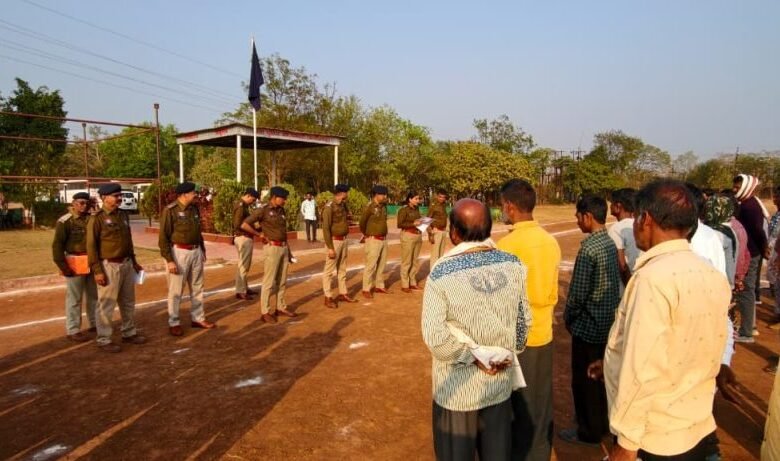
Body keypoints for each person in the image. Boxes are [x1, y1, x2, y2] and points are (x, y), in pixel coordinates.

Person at [593, 179, 731, 461]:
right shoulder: (712, 275)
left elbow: (642, 366)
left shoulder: (652, 279)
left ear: (645, 219)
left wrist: (627, 443)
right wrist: (610, 362)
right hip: (695, 424)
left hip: (655, 435)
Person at [422, 198, 531, 461]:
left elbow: (436, 338)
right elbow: (523, 327)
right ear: (489, 228)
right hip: (499, 386)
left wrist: (474, 357)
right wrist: (501, 355)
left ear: (454, 233)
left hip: (457, 394)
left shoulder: (441, 273)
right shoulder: (513, 264)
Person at [496, 179, 561, 461]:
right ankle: (540, 452)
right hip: (543, 332)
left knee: (517, 404)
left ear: (510, 207)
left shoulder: (507, 245)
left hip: (517, 337)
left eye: (502, 205)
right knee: (540, 399)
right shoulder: (549, 241)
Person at [560, 194, 621, 446]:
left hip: (588, 327)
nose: (577, 221)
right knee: (603, 379)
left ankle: (588, 431)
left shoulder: (589, 249)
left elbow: (577, 293)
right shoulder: (609, 242)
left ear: (587, 216)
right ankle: (603, 423)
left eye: (578, 216)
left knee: (584, 381)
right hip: (607, 324)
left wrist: (569, 317)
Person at [86, 183, 147, 352]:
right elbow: (91, 247)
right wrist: (97, 271)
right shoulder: (97, 219)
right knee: (106, 304)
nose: (119, 198)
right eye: (116, 196)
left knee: (128, 301)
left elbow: (128, 240)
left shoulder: (123, 215)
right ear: (104, 198)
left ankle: (129, 332)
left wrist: (134, 261)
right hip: (109, 266)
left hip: (126, 264)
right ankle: (104, 339)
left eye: (120, 195)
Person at [159, 182, 215, 337]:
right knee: (176, 289)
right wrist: (169, 260)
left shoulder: (193, 209)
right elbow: (163, 238)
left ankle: (198, 318)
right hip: (179, 252)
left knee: (197, 287)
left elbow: (197, 231)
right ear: (184, 194)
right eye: (193, 193)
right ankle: (174, 322)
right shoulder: (170, 210)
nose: (195, 195)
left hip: (195, 251)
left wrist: (202, 249)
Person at [241, 186, 297, 323]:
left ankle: (280, 307)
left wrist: (289, 252)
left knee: (282, 281)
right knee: (269, 281)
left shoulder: (281, 210)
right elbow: (245, 224)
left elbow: (283, 233)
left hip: (283, 248)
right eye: (283, 198)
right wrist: (258, 234)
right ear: (274, 197)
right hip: (272, 248)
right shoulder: (263, 210)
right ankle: (265, 311)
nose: (285, 201)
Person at [52, 191, 97, 342]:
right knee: (75, 298)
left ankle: (94, 323)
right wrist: (63, 266)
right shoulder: (65, 221)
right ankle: (73, 329)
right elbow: (57, 245)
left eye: (86, 203)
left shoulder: (91, 219)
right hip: (75, 262)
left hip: (91, 260)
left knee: (93, 296)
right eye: (81, 203)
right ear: (74, 203)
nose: (84, 206)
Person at [733, 174, 769, 342]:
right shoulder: (749, 203)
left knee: (746, 290)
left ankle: (746, 332)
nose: (735, 189)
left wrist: (763, 248)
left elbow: (757, 231)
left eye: (737, 187)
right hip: (751, 252)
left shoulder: (749, 207)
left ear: (747, 187)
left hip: (750, 253)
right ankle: (750, 326)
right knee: (749, 290)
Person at [321, 184, 357, 309]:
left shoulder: (343, 205)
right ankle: (328, 297)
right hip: (334, 241)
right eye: (347, 192)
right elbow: (325, 229)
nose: (348, 194)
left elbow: (347, 219)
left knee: (342, 269)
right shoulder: (329, 207)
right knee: (329, 271)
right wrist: (330, 247)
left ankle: (343, 293)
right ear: (342, 193)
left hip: (344, 240)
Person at [360, 185, 391, 299]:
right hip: (373, 239)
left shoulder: (383, 207)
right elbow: (362, 223)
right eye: (383, 194)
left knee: (382, 264)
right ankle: (366, 288)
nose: (385, 196)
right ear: (376, 195)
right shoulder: (369, 207)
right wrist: (367, 234)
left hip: (383, 239)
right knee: (371, 265)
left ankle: (379, 285)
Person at [608, 188, 640, 285]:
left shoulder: (616, 229)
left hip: (626, 283)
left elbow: (621, 265)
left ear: (618, 206)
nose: (610, 206)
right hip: (639, 278)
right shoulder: (638, 224)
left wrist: (629, 287)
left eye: (612, 203)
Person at [233, 188, 259, 300]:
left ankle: (244, 287)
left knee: (244, 264)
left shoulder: (243, 205)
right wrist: (254, 231)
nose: (253, 202)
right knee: (243, 265)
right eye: (252, 199)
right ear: (248, 195)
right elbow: (238, 224)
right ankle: (241, 290)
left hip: (243, 237)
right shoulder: (240, 206)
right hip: (243, 237)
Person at [397, 191, 424, 293]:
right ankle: (405, 284)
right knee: (407, 261)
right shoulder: (403, 210)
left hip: (417, 235)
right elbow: (400, 224)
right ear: (410, 199)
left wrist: (423, 222)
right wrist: (413, 224)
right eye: (416, 199)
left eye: (418, 199)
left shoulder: (417, 209)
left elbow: (418, 222)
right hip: (408, 235)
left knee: (414, 260)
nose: (418, 200)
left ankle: (412, 282)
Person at [427, 189, 449, 266]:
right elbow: (427, 219)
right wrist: (430, 233)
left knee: (441, 254)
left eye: (443, 197)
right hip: (436, 231)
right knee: (435, 254)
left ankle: (438, 270)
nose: (442, 199)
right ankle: (433, 271)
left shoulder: (444, 205)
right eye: (440, 197)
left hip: (443, 231)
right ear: (437, 196)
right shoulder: (433, 206)